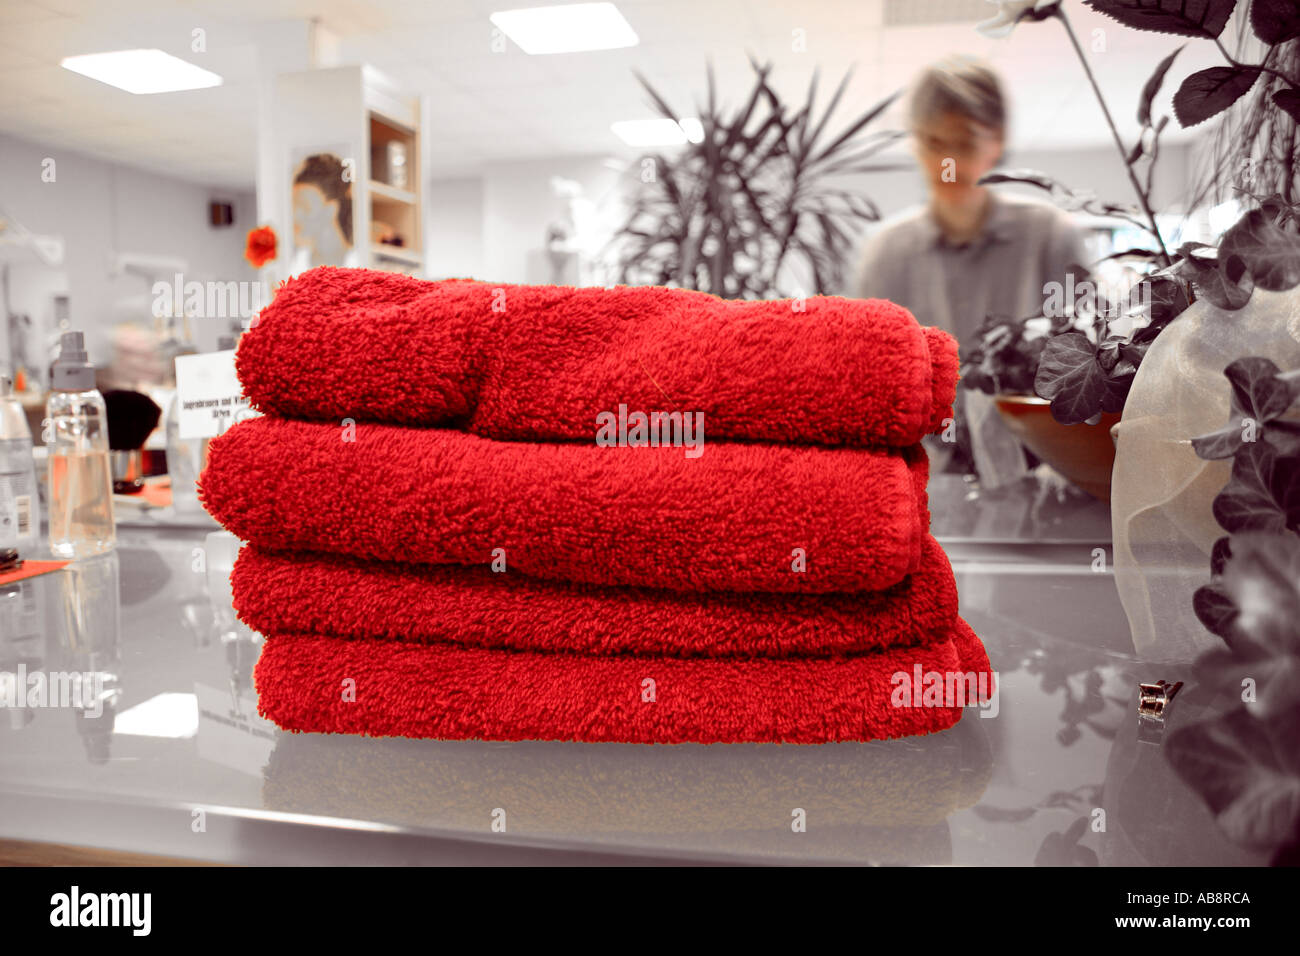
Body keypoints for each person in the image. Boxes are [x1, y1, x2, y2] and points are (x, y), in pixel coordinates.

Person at [854, 57, 1088, 484]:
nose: (947, 163)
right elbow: (866, 390)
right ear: (914, 143)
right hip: (918, 485)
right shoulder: (884, 254)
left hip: (1043, 481)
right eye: (932, 143)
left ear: (995, 142)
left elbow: (1087, 372)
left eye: (963, 144)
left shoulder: (1052, 237)